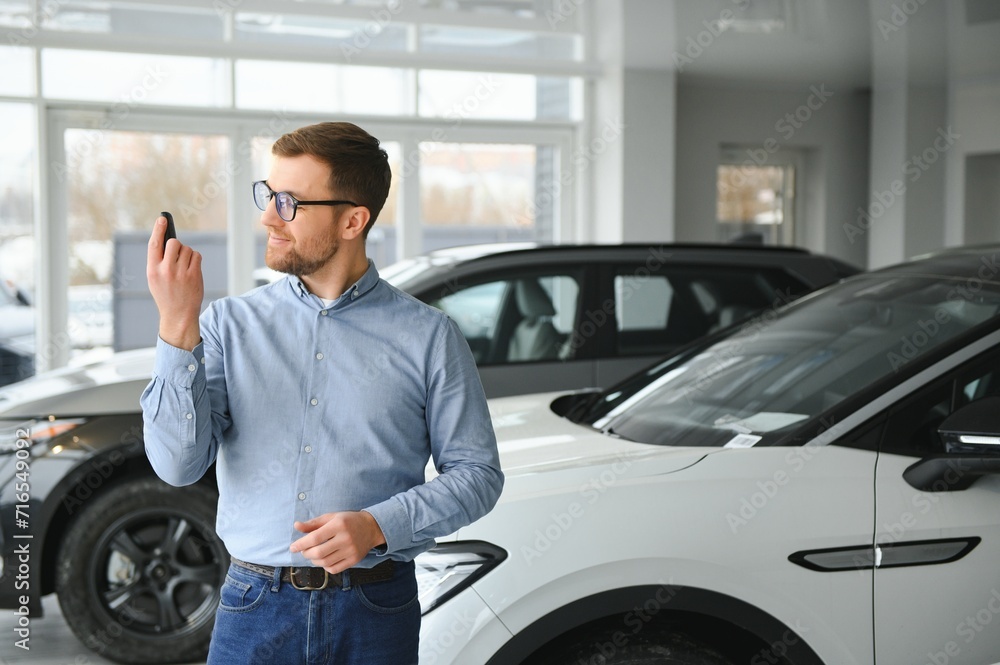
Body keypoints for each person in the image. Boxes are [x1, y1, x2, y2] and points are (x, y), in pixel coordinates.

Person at [140, 121, 504, 665]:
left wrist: (378, 526)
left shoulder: (430, 336)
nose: (268, 216)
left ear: (353, 220)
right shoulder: (226, 325)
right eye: (268, 195)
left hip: (376, 610)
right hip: (254, 608)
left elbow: (477, 476)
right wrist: (176, 325)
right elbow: (177, 466)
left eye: (289, 202)